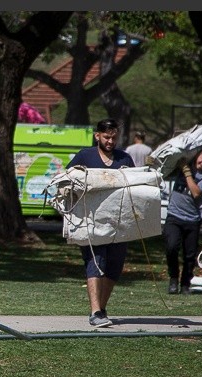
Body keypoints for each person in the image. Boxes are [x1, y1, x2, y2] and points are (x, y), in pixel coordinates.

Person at [66, 118, 134, 328]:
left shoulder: (125, 158)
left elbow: (134, 186)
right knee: (96, 263)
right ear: (97, 136)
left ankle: (101, 309)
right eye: (106, 137)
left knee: (114, 268)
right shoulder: (85, 156)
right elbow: (67, 178)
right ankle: (95, 311)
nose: (110, 141)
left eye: (113, 137)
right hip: (91, 223)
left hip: (118, 225)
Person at [163, 145, 202, 295]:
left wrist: (186, 172)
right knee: (171, 247)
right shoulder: (184, 164)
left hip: (192, 219)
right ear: (198, 154)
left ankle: (185, 284)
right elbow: (165, 171)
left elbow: (195, 192)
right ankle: (173, 278)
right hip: (174, 216)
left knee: (189, 255)